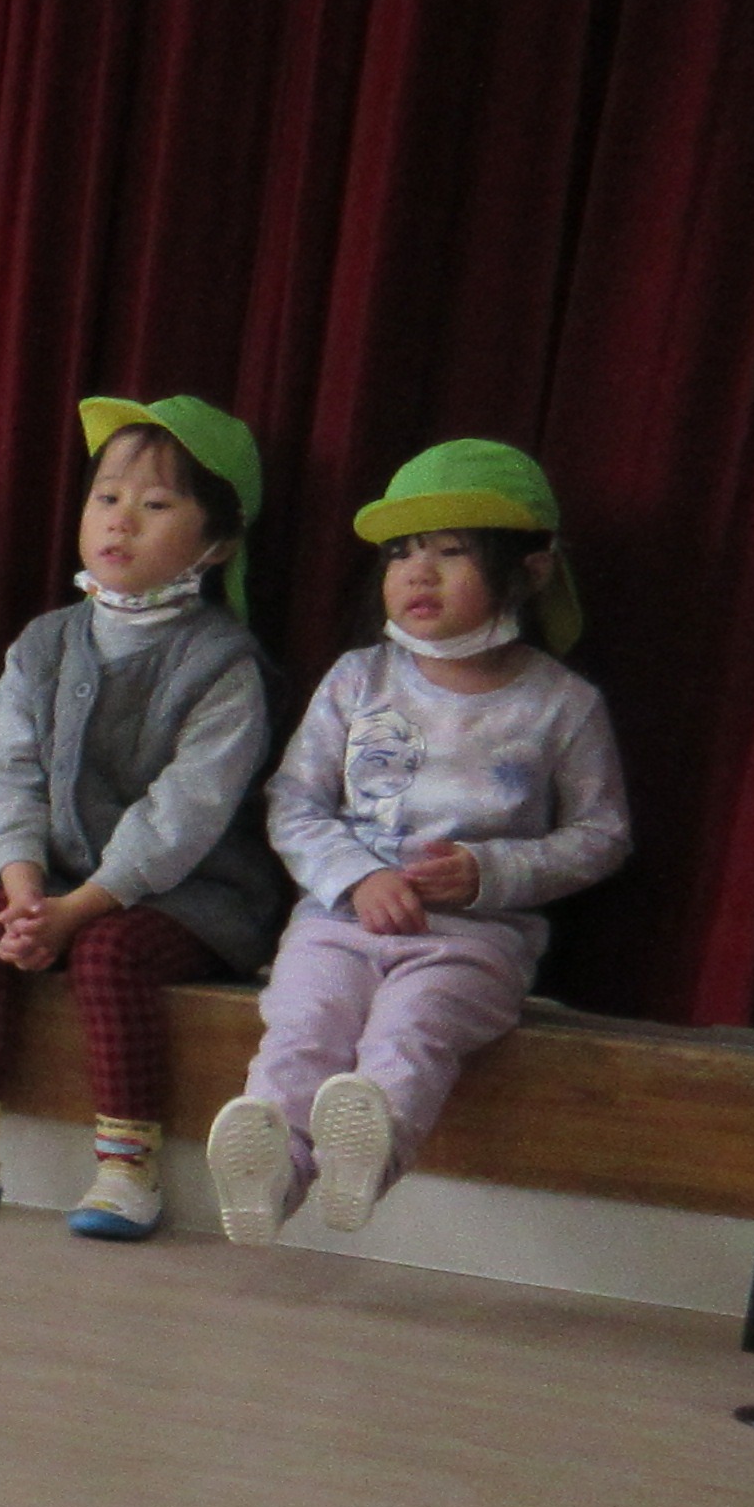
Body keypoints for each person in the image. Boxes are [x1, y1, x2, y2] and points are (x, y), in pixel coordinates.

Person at [0, 395, 287, 1240]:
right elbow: (3, 770)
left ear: (217, 543)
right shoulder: (46, 641)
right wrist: (25, 889)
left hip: (190, 895)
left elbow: (184, 812)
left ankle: (129, 1169)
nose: (120, 520)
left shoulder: (224, 664)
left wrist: (77, 910)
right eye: (106, 497)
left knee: (108, 951)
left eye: (156, 504)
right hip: (53, 882)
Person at [211, 442, 632, 1244]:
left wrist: (490, 871)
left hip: (472, 941)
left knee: (412, 1031)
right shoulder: (356, 679)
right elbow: (294, 802)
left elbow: (602, 835)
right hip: (339, 921)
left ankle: (366, 1159)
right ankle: (271, 1174)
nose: (418, 574)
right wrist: (356, 877)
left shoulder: (563, 704)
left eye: (451, 552)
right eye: (402, 553)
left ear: (531, 571)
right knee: (302, 1025)